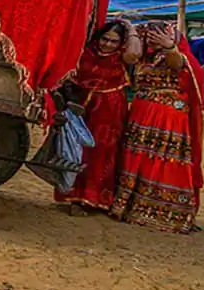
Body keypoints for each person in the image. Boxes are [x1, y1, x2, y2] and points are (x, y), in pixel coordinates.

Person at [109, 21, 204, 233]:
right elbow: (131, 57)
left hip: (168, 119)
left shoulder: (177, 53)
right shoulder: (141, 55)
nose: (151, 39)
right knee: (138, 160)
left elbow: (179, 65)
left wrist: (169, 46)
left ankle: (166, 213)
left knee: (165, 161)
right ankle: (131, 207)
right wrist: (132, 31)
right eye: (148, 36)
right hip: (141, 116)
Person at [55, 20, 140, 215]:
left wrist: (130, 28)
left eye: (114, 41)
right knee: (78, 150)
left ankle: (94, 200)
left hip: (110, 112)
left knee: (103, 154)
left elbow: (134, 54)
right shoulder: (85, 53)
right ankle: (74, 197)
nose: (107, 44)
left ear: (121, 43)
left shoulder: (122, 57)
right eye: (105, 39)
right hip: (82, 108)